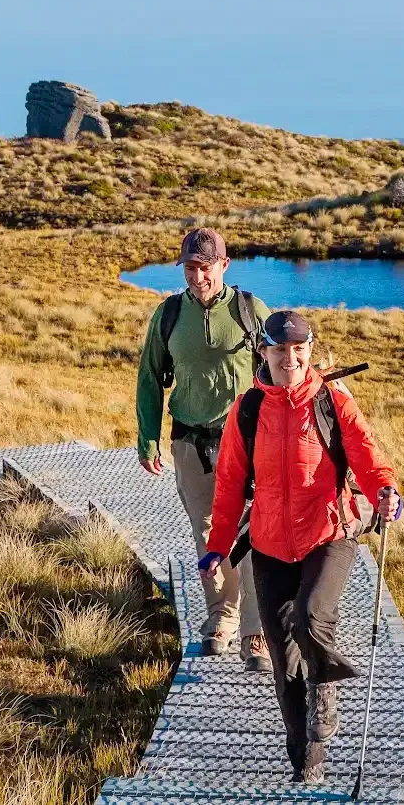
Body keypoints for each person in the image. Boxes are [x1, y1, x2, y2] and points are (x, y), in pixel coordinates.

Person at [201, 310, 404, 784]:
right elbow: (230, 483)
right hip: (270, 543)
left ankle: (326, 689)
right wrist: (217, 547)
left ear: (310, 350)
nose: (290, 358)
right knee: (283, 659)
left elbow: (369, 459)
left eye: (299, 349)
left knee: (312, 617)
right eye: (279, 350)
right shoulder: (247, 410)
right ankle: (305, 763)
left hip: (328, 534)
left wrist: (385, 492)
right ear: (265, 352)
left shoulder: (333, 402)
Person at [135, 227, 272, 669]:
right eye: (190, 268)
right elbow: (150, 377)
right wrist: (148, 436)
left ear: (224, 266)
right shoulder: (169, 314)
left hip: (246, 445)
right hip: (190, 444)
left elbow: (284, 372)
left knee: (250, 533)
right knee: (208, 531)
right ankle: (221, 619)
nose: (197, 277)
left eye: (205, 267)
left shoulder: (252, 312)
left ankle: (256, 629)